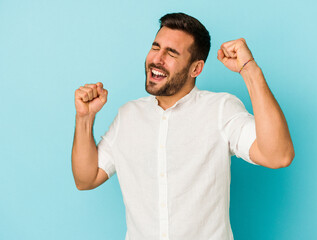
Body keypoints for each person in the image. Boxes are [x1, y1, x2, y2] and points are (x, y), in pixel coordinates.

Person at [72, 12, 294, 240]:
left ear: (195, 69)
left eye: (171, 53)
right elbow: (86, 179)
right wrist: (85, 118)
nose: (157, 59)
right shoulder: (128, 115)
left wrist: (249, 69)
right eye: (156, 47)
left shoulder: (221, 109)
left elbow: (278, 155)